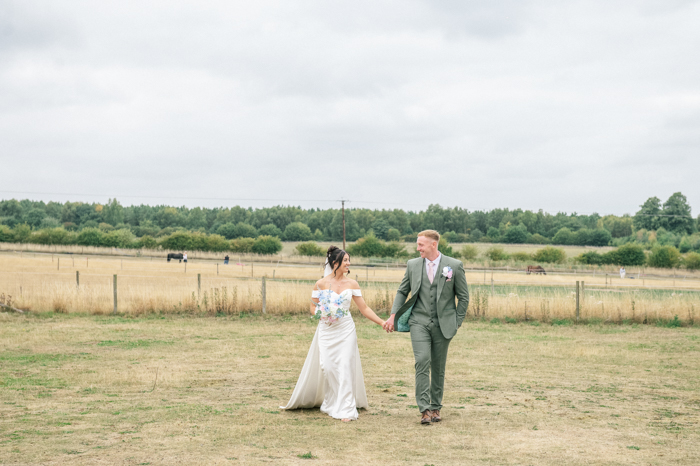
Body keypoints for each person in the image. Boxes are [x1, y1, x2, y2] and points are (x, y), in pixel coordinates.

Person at [281, 246, 387, 422]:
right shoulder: (320, 283)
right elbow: (312, 306)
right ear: (335, 263)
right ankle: (331, 402)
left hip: (346, 330)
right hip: (326, 330)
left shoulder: (352, 284)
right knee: (328, 367)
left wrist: (382, 322)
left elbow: (364, 308)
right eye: (345, 260)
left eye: (348, 260)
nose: (349, 263)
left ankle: (346, 409)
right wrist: (322, 313)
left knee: (345, 366)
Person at [383, 230, 469, 425]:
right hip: (418, 322)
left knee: (438, 366)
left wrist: (456, 322)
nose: (417, 248)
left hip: (444, 324)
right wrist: (393, 316)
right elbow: (402, 291)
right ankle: (424, 409)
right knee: (422, 360)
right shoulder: (412, 265)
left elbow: (463, 297)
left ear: (433, 245)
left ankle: (436, 406)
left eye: (421, 244)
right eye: (417, 244)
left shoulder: (454, 266)